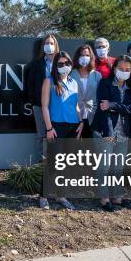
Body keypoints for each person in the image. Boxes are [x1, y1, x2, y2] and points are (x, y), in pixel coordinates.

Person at [92, 55, 131, 211]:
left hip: (123, 132)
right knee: (104, 165)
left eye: (127, 69)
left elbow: (130, 108)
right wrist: (108, 132)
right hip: (105, 130)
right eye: (121, 68)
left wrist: (111, 104)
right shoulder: (105, 83)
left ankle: (117, 197)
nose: (123, 72)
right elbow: (102, 109)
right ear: (114, 68)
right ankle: (104, 198)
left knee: (118, 166)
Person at [40, 51, 83, 210]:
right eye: (60, 64)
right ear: (55, 66)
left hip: (73, 127)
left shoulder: (74, 82)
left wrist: (81, 122)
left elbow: (76, 105)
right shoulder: (48, 81)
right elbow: (44, 106)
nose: (64, 66)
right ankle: (44, 196)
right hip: (56, 127)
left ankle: (60, 196)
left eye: (67, 63)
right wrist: (49, 128)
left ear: (71, 65)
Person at [25, 34, 59, 162]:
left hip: (57, 105)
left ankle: (56, 165)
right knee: (42, 135)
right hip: (40, 105)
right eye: (46, 43)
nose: (49, 46)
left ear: (56, 46)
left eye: (51, 43)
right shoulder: (36, 64)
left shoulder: (61, 62)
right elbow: (30, 85)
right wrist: (35, 103)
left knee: (56, 135)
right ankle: (42, 166)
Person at [70, 44, 102, 138]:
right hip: (75, 116)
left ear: (91, 57)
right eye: (82, 55)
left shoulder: (97, 75)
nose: (84, 57)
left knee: (91, 148)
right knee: (76, 148)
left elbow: (100, 96)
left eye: (87, 55)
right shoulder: (71, 74)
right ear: (77, 57)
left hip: (93, 116)